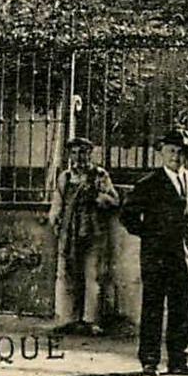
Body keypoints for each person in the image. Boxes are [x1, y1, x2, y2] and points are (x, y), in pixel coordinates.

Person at [120, 127, 188, 376]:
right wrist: (150, 234)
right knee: (153, 307)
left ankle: (178, 360)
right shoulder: (149, 184)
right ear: (162, 152)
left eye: (180, 152)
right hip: (156, 256)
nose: (175, 156)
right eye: (171, 151)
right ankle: (150, 360)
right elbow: (128, 215)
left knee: (181, 309)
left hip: (183, 257)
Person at [45, 136, 120, 335]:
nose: (79, 157)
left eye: (83, 152)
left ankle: (91, 321)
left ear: (90, 153)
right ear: (70, 155)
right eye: (75, 153)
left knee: (93, 276)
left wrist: (97, 197)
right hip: (69, 233)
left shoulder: (99, 175)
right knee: (66, 275)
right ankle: (67, 319)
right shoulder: (65, 177)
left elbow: (114, 200)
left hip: (93, 233)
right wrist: (55, 220)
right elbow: (57, 202)